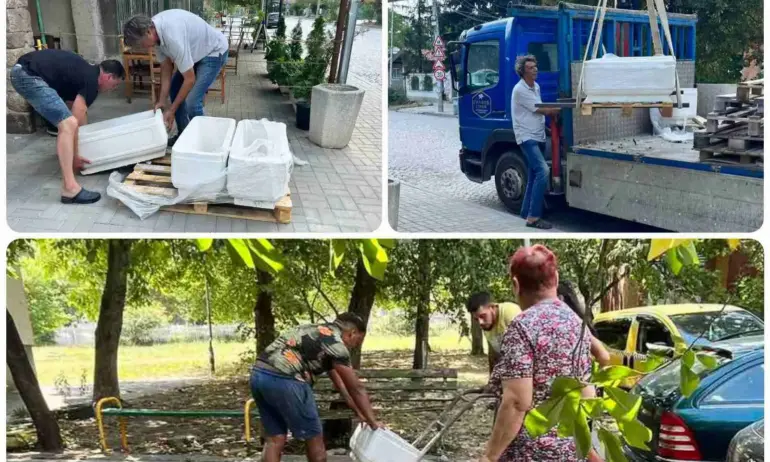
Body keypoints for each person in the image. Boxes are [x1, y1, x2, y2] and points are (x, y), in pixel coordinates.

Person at [480, 245, 602, 462]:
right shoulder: (576, 323)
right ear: (555, 278)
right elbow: (587, 394)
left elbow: (518, 402)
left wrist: (489, 457)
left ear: (516, 285)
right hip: (570, 448)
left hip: (531, 452)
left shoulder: (522, 327)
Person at [250, 313, 383, 462]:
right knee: (314, 438)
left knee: (275, 438)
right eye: (358, 341)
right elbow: (356, 388)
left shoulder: (312, 330)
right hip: (287, 380)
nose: (355, 346)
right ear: (352, 333)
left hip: (258, 375)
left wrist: (359, 412)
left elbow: (341, 384)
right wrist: (373, 422)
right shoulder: (336, 345)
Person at [10, 49, 125, 204]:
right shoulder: (92, 81)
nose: (112, 89)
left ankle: (69, 166)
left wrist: (81, 145)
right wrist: (76, 155)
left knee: (68, 122)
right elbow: (75, 120)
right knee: (68, 124)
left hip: (23, 71)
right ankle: (70, 189)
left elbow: (76, 111)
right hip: (28, 75)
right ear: (109, 76)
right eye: (115, 84)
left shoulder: (85, 72)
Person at [122, 10, 229, 144]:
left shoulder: (172, 36)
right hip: (196, 52)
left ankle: (206, 143)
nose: (142, 48)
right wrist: (161, 100)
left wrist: (171, 110)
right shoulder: (155, 33)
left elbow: (189, 80)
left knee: (192, 102)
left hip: (214, 51)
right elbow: (166, 68)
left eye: (141, 44)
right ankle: (184, 137)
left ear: (148, 32)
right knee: (174, 89)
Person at [511, 55, 561, 230]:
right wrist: (559, 109)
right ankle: (533, 218)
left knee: (533, 175)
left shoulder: (536, 87)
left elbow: (537, 110)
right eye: (531, 68)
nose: (535, 70)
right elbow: (540, 109)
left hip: (538, 135)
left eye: (535, 66)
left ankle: (526, 211)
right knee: (542, 170)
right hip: (527, 137)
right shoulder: (520, 90)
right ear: (523, 72)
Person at [557, 280, 611, 368]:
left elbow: (604, 356)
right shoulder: (578, 323)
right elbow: (604, 357)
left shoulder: (574, 324)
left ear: (560, 298)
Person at [466, 292, 521, 374]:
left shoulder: (509, 311)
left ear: (492, 307)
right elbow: (494, 355)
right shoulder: (487, 325)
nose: (480, 322)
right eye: (476, 319)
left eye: (483, 316)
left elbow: (521, 351)